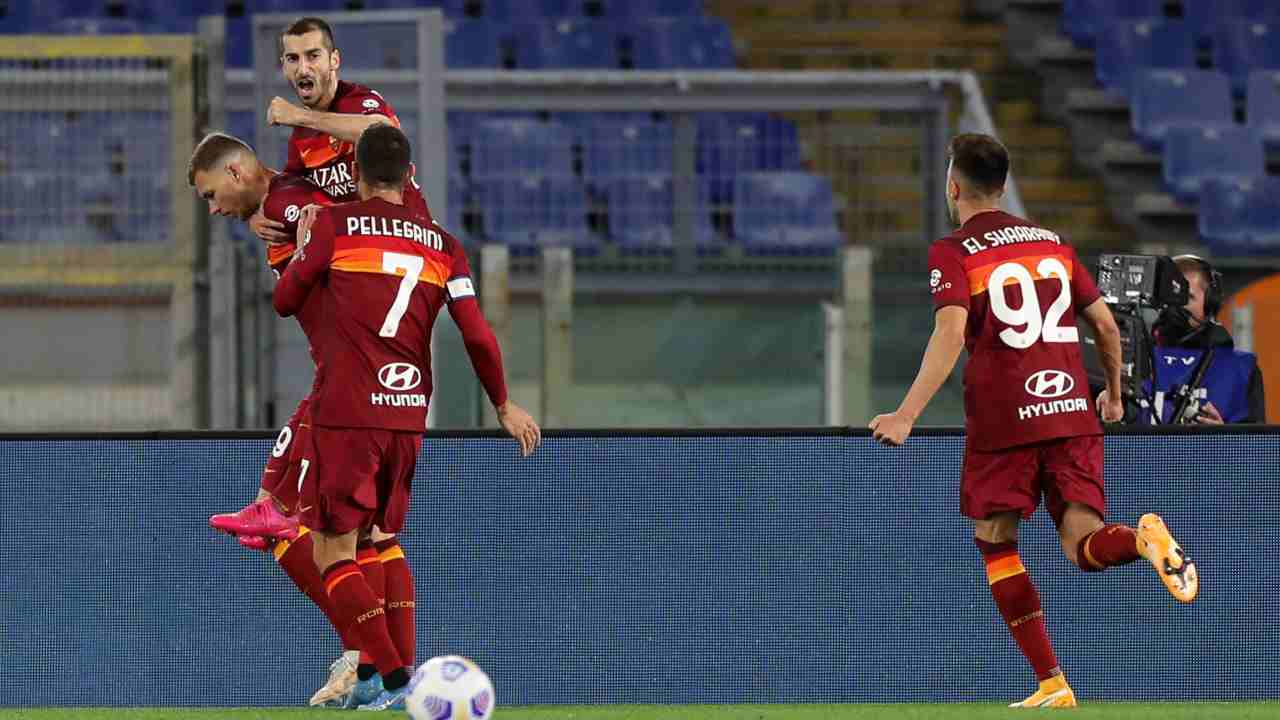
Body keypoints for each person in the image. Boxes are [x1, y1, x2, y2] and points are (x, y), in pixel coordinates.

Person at [868, 133, 1200, 709]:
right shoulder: (1052, 243)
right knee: (1082, 544)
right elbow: (1105, 327)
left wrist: (906, 414)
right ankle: (1144, 541)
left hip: (1006, 423)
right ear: (1001, 184)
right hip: (1072, 413)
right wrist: (1115, 397)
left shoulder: (954, 251)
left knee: (996, 541)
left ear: (954, 185)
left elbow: (949, 335)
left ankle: (1051, 680)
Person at [273, 124, 540, 711]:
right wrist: (503, 402)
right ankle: (388, 679)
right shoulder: (443, 245)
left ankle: (398, 681)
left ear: (358, 175)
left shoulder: (339, 225)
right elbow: (476, 333)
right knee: (383, 539)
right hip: (408, 415)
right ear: (408, 173)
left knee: (332, 552)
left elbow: (286, 298)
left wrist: (306, 248)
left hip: (347, 412)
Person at [189, 132, 368, 706]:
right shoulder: (282, 200)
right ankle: (363, 654)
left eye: (211, 194)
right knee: (281, 521)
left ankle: (371, 658)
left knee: (328, 528)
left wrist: (321, 217)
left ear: (237, 171)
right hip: (334, 379)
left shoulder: (284, 206)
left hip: (353, 381)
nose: (213, 208)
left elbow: (343, 217)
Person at [249, 16, 421, 243]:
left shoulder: (358, 100)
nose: (302, 69)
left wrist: (300, 116)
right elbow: (290, 185)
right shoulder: (301, 135)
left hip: (407, 239)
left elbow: (386, 133)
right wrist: (260, 210)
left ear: (334, 60)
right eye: (293, 59)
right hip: (359, 247)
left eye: (313, 56)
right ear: (283, 66)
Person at [1140, 254, 1266, 424]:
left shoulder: (1242, 369)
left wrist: (1224, 437)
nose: (1175, 307)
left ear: (1209, 302)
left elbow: (1258, 448)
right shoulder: (1135, 361)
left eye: (1187, 298)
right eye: (1170, 298)